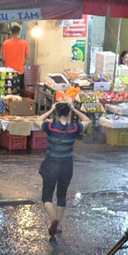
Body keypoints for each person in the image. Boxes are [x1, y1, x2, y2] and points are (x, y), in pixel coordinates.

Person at [38, 100, 83, 237]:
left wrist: (51, 109)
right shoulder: (74, 128)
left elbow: (37, 120)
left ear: (56, 113)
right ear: (68, 114)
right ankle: (58, 225)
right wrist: (74, 110)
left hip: (52, 164)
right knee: (61, 195)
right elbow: (87, 120)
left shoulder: (50, 127)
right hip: (67, 166)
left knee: (47, 196)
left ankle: (54, 219)